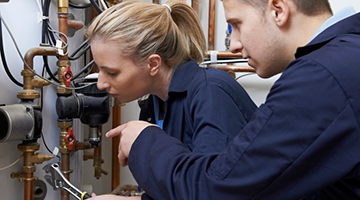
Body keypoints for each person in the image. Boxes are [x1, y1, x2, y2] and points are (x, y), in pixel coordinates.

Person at [96, 0, 360, 199]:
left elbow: (217, 189)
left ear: (278, 10)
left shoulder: (322, 76)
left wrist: (143, 141)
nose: (233, 44)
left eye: (236, 24)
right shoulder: (341, 62)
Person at [87, 0, 257, 199]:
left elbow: (210, 192)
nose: (100, 84)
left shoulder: (211, 93)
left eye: (112, 73)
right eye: (100, 70)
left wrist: (145, 141)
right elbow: (171, 191)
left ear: (153, 64)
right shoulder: (154, 105)